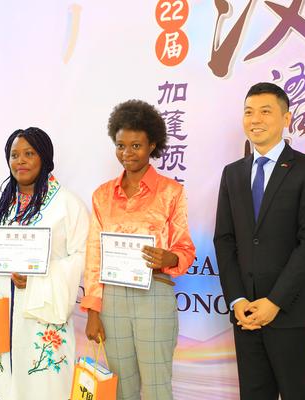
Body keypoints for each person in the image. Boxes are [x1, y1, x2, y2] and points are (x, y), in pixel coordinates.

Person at [213, 82, 305, 400]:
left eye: (266, 111)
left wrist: (275, 301)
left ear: (286, 118)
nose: (255, 119)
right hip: (246, 313)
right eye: (249, 112)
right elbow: (224, 240)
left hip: (289, 312)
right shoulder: (233, 173)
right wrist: (237, 300)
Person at [0, 127, 89, 400]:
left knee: (42, 387)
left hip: (40, 315)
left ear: (44, 158)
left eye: (29, 153)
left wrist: (40, 278)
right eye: (14, 155)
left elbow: (81, 255)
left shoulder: (67, 204)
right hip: (2, 312)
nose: (21, 161)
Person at [81, 100, 196, 400]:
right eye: (120, 146)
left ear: (152, 145)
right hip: (112, 301)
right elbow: (94, 256)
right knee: (121, 388)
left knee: (157, 388)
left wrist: (170, 258)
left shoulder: (171, 192)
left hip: (154, 295)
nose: (127, 153)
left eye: (136, 146)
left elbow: (185, 248)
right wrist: (93, 311)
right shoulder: (102, 195)